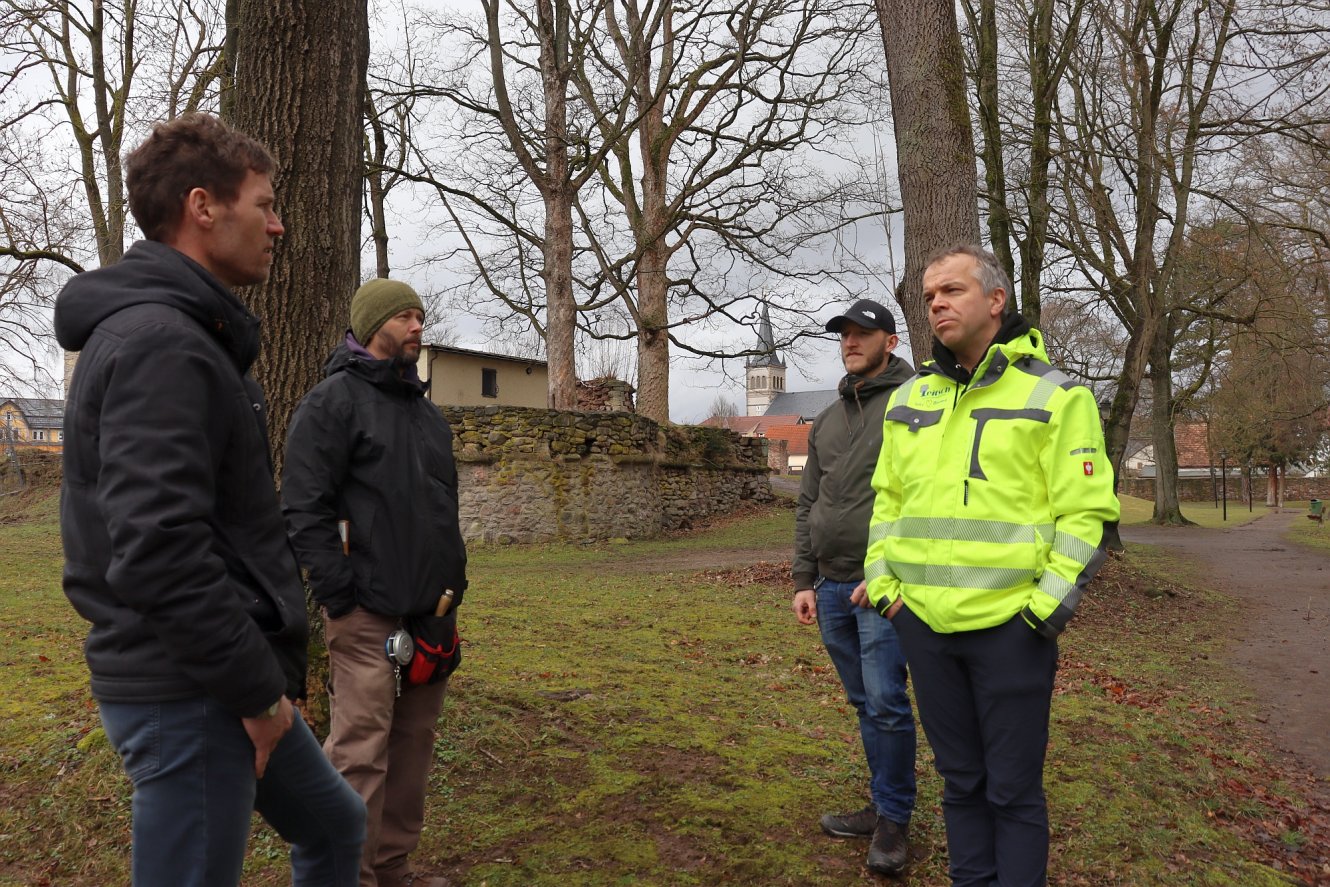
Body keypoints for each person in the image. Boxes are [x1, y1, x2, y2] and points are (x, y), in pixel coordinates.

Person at [54, 113, 366, 886]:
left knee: (334, 823)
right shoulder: (162, 342)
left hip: (217, 671)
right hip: (188, 688)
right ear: (203, 207)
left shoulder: (185, 335)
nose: (278, 224)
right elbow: (159, 549)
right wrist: (257, 693)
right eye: (263, 203)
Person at [863, 244, 1119, 886]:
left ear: (996, 299)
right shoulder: (910, 399)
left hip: (1013, 631)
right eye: (927, 298)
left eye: (951, 291)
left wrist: (1043, 612)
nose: (936, 305)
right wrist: (888, 590)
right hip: (924, 627)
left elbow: (1087, 516)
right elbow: (887, 501)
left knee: (1012, 792)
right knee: (960, 786)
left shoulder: (1058, 397)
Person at [282, 279, 468, 887]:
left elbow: (441, 511)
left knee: (413, 751)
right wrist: (340, 593)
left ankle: (392, 871)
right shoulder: (331, 404)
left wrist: (450, 593)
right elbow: (302, 510)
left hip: (429, 615)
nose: (418, 326)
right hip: (364, 617)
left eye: (420, 314)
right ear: (372, 326)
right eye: (406, 317)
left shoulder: (427, 415)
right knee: (359, 755)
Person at [792, 299, 918, 875]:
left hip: (881, 588)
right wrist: (804, 578)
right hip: (831, 588)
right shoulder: (826, 418)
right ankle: (880, 804)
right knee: (864, 703)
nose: (850, 341)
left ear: (889, 342)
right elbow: (808, 502)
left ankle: (894, 822)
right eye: (844, 334)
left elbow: (925, 500)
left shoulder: (914, 406)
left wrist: (886, 571)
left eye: (863, 333)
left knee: (889, 704)